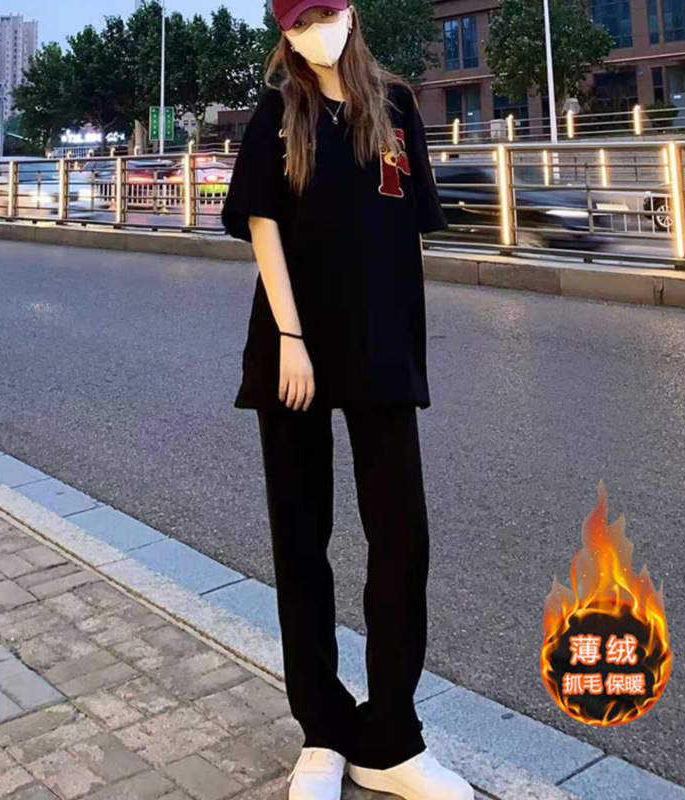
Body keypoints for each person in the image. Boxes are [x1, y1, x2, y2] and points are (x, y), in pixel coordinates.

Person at [221, 3, 472, 799]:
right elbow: (262, 223)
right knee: (302, 541)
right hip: (294, 348)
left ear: (351, 13)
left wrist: (398, 331)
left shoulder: (395, 105)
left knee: (402, 538)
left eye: (323, 14)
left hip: (379, 347)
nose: (313, 32)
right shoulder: (278, 110)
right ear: (284, 33)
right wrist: (290, 336)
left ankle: (391, 738)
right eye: (297, 23)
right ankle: (322, 732)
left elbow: (406, 231)